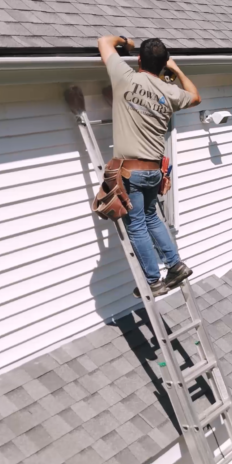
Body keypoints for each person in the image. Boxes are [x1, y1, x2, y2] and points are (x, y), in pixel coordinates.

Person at [97, 35, 201, 297]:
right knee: (152, 216)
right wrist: (175, 69)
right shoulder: (171, 92)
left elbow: (103, 42)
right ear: (163, 63)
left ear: (139, 60)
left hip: (130, 173)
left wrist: (125, 42)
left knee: (137, 225)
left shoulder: (125, 77)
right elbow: (196, 97)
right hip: (154, 171)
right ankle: (175, 265)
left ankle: (154, 282)